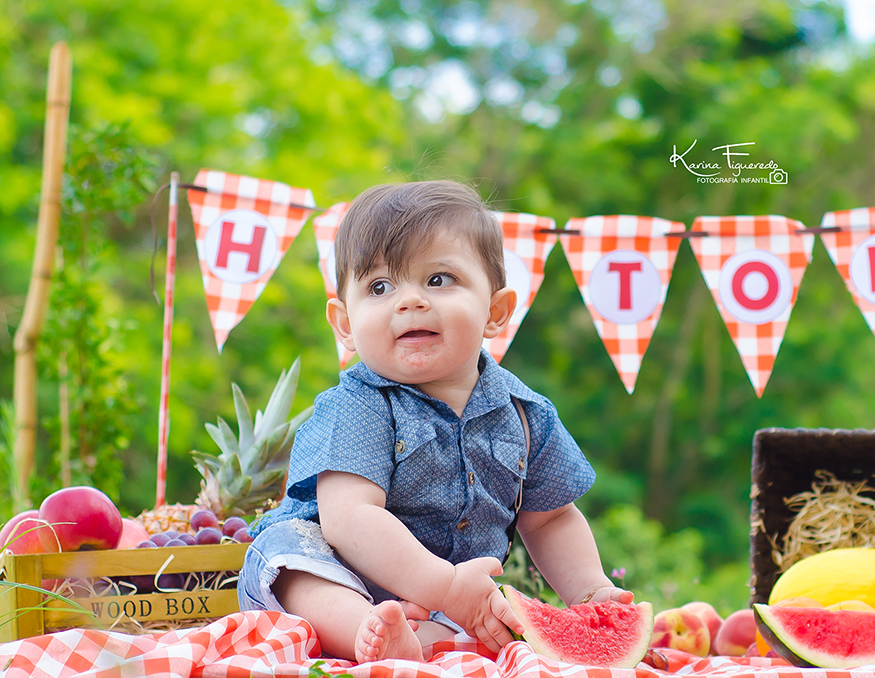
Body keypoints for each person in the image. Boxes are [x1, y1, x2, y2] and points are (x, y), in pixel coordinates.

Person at [238, 180, 632, 664]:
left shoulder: (526, 415)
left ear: (496, 312)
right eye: (380, 287)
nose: (410, 301)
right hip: (342, 573)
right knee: (290, 560)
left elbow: (551, 518)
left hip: (455, 600)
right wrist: (443, 586)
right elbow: (349, 518)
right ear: (344, 324)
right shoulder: (357, 404)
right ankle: (364, 631)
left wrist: (590, 590)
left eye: (439, 279)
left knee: (492, 614)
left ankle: (423, 636)